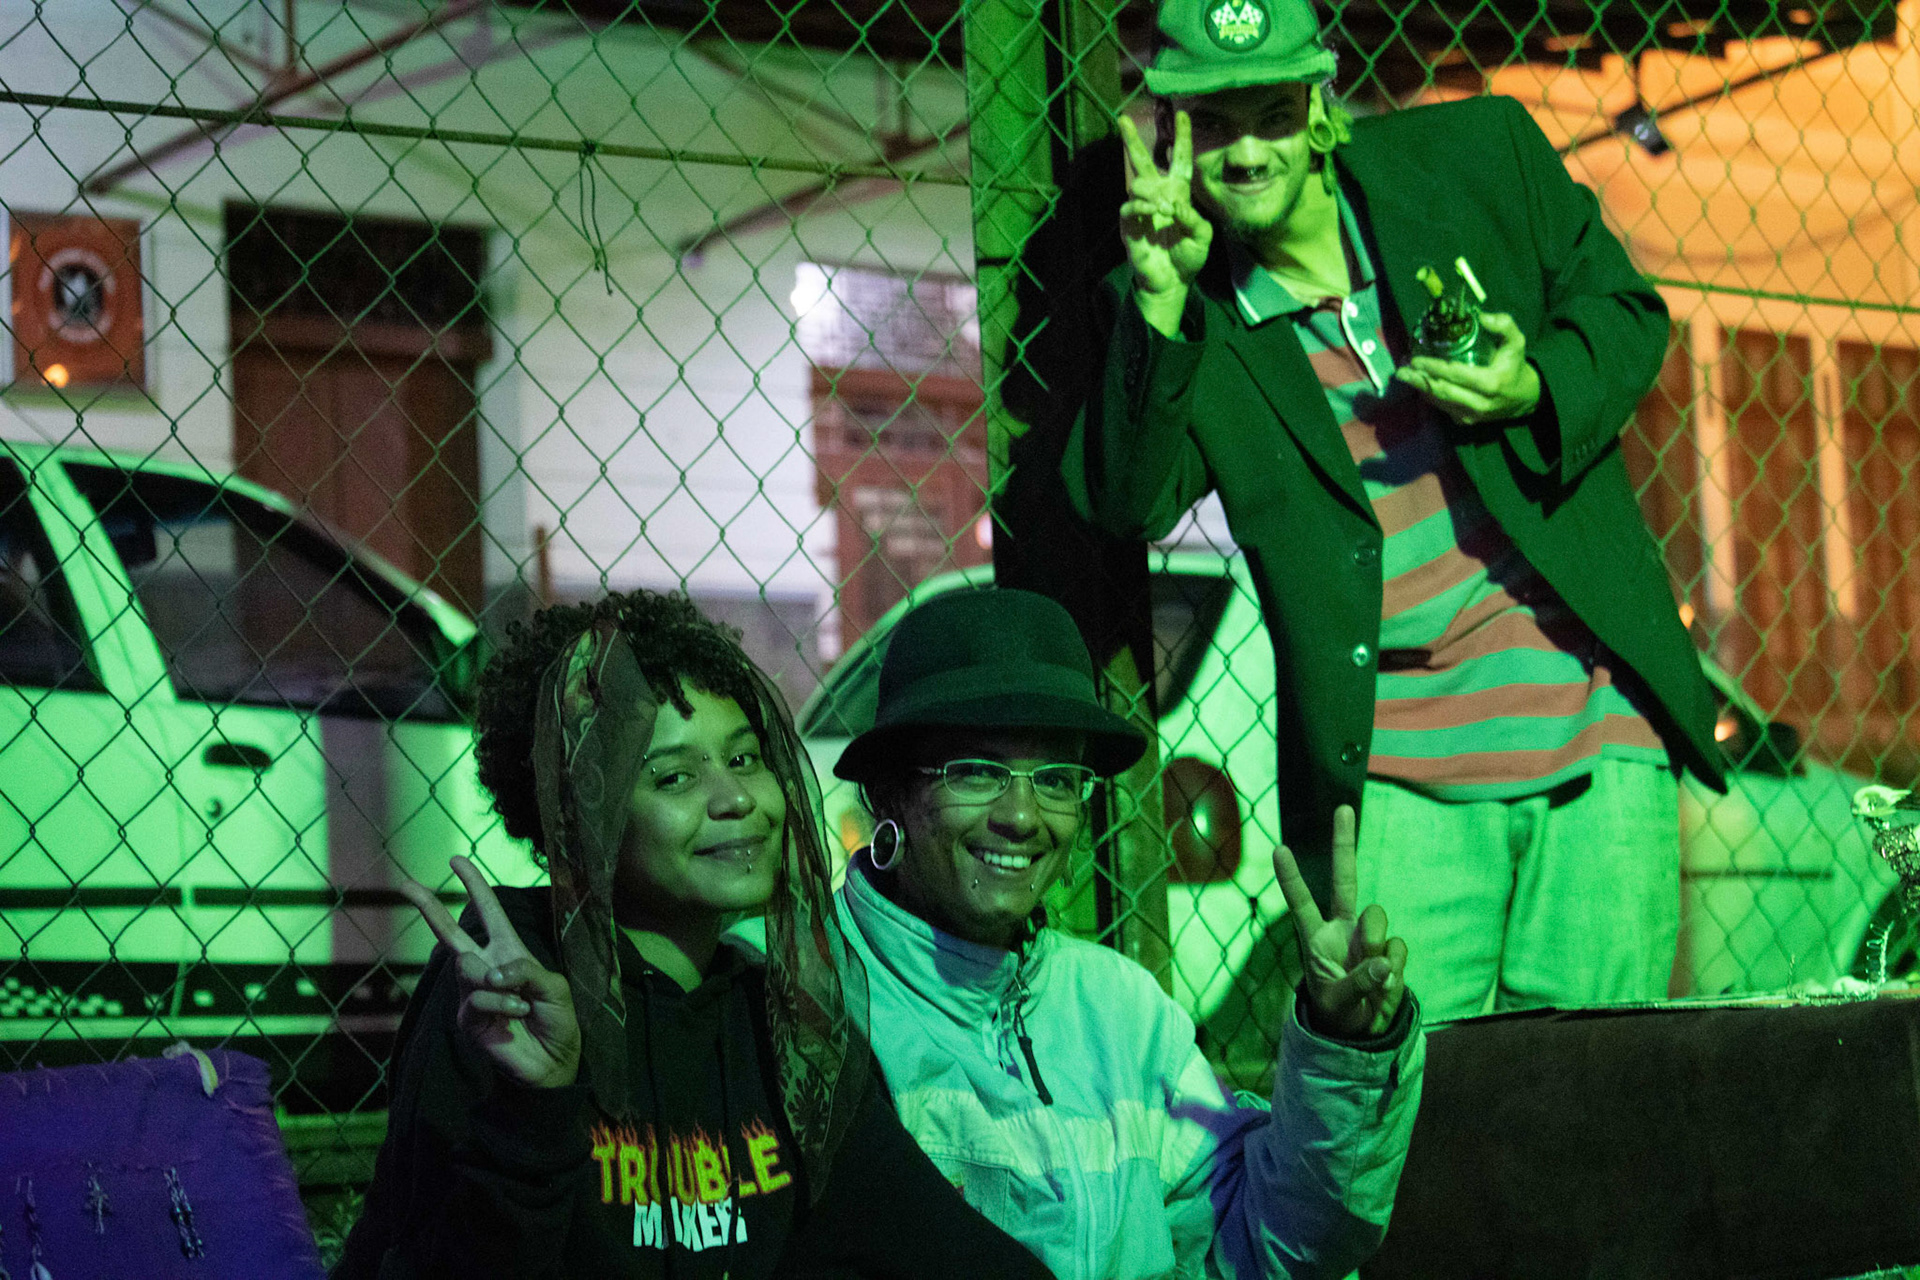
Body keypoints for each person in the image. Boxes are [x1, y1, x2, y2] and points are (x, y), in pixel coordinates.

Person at [1063, 0, 1725, 1019]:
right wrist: (1158, 297)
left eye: (1274, 114)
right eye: (1215, 123)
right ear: (1172, 133)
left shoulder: (1479, 156)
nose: (1248, 151)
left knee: (1597, 1092)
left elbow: (1626, 313)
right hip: (1397, 771)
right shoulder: (1180, 308)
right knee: (1416, 1087)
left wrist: (1535, 385)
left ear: (1322, 109)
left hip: (1597, 725)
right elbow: (1126, 502)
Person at [333, 590, 1054, 1279]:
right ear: (584, 813)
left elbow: (938, 1244)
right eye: (674, 777)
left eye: (744, 759)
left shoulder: (777, 1025)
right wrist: (535, 1109)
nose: (735, 798)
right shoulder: (508, 994)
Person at [829, 586, 1423, 1280]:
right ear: (891, 791)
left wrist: (1341, 1049)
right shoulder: (813, 1002)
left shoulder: (1119, 1010)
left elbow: (1266, 1246)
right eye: (977, 771)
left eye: (1056, 779)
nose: (1021, 816)